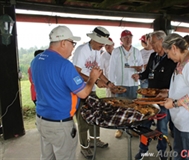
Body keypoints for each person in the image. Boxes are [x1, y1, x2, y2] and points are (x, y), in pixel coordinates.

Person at [31, 25, 102, 160]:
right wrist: (93, 78)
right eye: (72, 43)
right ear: (63, 43)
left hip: (42, 120)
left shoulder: (36, 60)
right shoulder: (64, 65)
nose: (73, 48)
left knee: (47, 156)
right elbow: (83, 94)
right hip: (60, 124)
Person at [132, 30, 176, 160]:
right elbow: (147, 73)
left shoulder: (171, 59)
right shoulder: (153, 56)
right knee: (145, 124)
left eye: (152, 42)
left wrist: (168, 91)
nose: (150, 45)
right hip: (149, 98)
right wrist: (139, 75)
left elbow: (175, 80)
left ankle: (162, 151)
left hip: (164, 99)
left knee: (162, 126)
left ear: (161, 41)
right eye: (150, 42)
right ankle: (143, 149)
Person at [72, 26, 114, 159]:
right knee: (83, 119)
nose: (102, 45)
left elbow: (98, 72)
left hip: (92, 89)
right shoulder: (82, 50)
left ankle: (95, 140)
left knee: (96, 116)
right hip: (81, 90)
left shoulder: (97, 51)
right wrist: (94, 81)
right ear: (93, 40)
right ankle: (84, 147)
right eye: (101, 43)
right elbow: (76, 72)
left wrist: (108, 83)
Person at [109, 29, 143, 138]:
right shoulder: (116, 51)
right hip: (120, 84)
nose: (128, 39)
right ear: (121, 40)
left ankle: (131, 128)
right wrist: (112, 84)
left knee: (132, 107)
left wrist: (139, 69)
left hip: (132, 84)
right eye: (125, 38)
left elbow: (141, 68)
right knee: (120, 107)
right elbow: (111, 68)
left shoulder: (136, 51)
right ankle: (120, 129)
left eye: (130, 37)